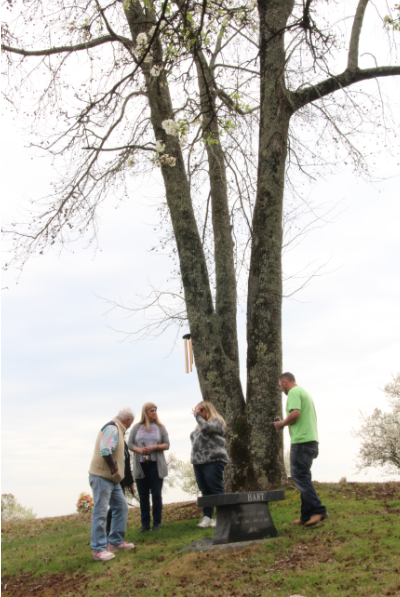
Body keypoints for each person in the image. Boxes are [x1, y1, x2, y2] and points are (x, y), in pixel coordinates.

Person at [274, 373, 328, 527]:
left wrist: (282, 424)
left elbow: (295, 413)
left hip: (302, 442)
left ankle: (319, 510)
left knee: (299, 477)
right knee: (303, 477)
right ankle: (305, 516)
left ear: (284, 382)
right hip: (311, 441)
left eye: (279, 385)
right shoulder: (304, 393)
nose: (280, 389)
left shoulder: (294, 392)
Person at [89, 407, 135, 561]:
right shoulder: (112, 428)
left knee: (121, 507)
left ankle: (115, 542)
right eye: (130, 423)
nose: (129, 426)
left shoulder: (118, 430)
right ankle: (98, 550)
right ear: (127, 420)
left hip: (113, 479)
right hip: (102, 477)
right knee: (101, 512)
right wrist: (114, 466)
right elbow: (105, 450)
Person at [127, 403, 169, 532]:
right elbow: (130, 444)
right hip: (141, 465)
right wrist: (139, 450)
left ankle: (157, 523)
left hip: (155, 464)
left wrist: (154, 448)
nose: (154, 413)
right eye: (151, 410)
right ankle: (145, 524)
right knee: (143, 496)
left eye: (155, 410)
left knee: (156, 494)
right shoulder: (137, 427)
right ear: (145, 412)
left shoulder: (160, 428)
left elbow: (166, 445)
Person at [190, 401, 229, 528]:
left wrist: (197, 417)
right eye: (197, 411)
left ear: (208, 409)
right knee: (205, 490)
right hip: (198, 461)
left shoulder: (216, 421)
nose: (198, 413)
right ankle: (207, 517)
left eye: (200, 410)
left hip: (213, 460)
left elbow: (207, 428)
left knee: (215, 488)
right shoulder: (199, 426)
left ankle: (222, 517)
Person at [106, 440, 135, 536]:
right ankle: (109, 531)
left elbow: (126, 463)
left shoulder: (124, 443)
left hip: (122, 480)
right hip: (114, 479)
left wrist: (130, 482)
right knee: (117, 507)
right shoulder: (114, 442)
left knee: (118, 507)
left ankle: (113, 534)